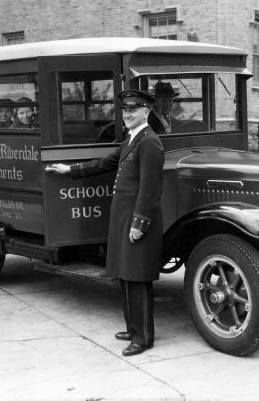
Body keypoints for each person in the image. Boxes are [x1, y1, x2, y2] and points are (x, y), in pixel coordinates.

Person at [48, 90, 164, 356]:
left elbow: (150, 189)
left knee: (138, 278)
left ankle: (143, 337)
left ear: (146, 112)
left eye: (134, 110)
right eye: (125, 110)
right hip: (124, 218)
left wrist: (140, 223)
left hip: (136, 220)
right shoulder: (131, 140)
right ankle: (132, 328)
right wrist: (70, 170)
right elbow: (102, 164)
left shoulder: (149, 142)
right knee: (126, 274)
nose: (128, 114)